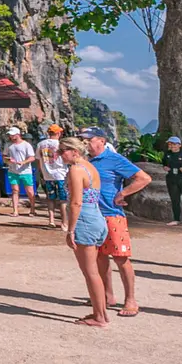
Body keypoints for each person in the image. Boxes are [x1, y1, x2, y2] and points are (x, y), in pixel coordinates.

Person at [83, 127, 153, 317]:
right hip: (93, 214)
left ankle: (130, 299)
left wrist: (122, 193)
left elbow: (144, 178)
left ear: (101, 141)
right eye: (83, 139)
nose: (85, 143)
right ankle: (107, 295)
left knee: (121, 258)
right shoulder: (86, 161)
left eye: (89, 139)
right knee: (99, 257)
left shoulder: (114, 159)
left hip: (112, 214)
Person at [59, 137, 109, 327]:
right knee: (94, 271)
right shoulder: (90, 167)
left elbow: (76, 202)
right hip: (96, 217)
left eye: (63, 150)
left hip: (85, 220)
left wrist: (70, 229)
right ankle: (101, 312)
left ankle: (100, 317)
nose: (59, 154)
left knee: (90, 273)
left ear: (75, 152)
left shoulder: (76, 169)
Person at [36, 124, 69, 230]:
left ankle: (51, 220)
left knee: (50, 198)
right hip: (61, 174)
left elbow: (38, 159)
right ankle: (64, 222)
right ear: (58, 133)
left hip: (47, 175)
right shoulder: (61, 144)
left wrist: (41, 172)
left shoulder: (40, 144)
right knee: (63, 199)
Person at [2, 127, 37, 218]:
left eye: (12, 135)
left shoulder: (26, 145)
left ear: (18, 134)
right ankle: (15, 211)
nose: (11, 136)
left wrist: (23, 162)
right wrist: (8, 160)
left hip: (25, 171)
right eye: (10, 135)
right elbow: (4, 156)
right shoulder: (8, 145)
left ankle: (32, 209)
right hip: (13, 171)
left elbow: (32, 157)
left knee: (29, 191)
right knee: (15, 190)